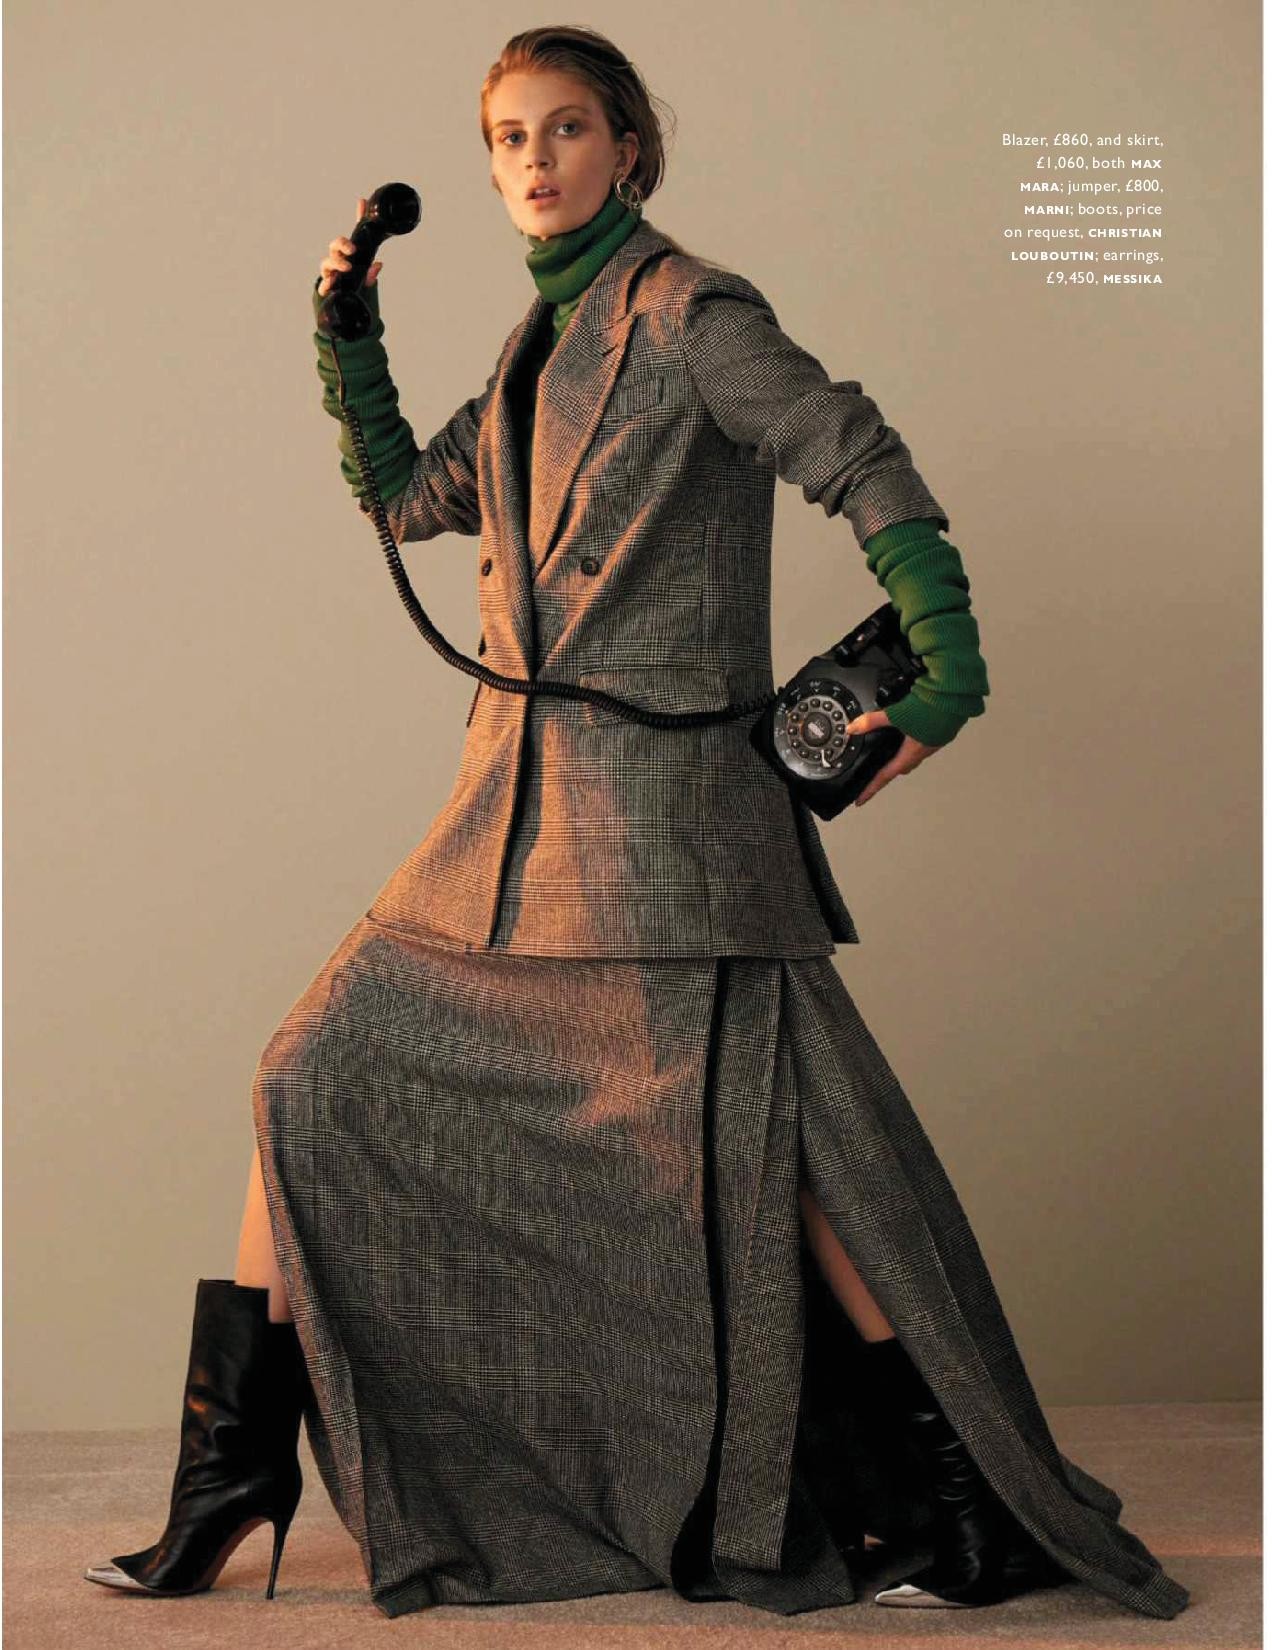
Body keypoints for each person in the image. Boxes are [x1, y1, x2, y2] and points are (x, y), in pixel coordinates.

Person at [85, 24, 1190, 1622]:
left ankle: (968, 1507)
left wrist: (945, 665)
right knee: (310, 1071)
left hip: (671, 833)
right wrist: (346, 332)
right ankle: (229, 1476)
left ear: (629, 148)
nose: (535, 161)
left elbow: (854, 450)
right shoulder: (535, 352)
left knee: (785, 1151)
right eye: (507, 138)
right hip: (508, 825)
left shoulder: (691, 316)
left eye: (566, 129)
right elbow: (404, 497)